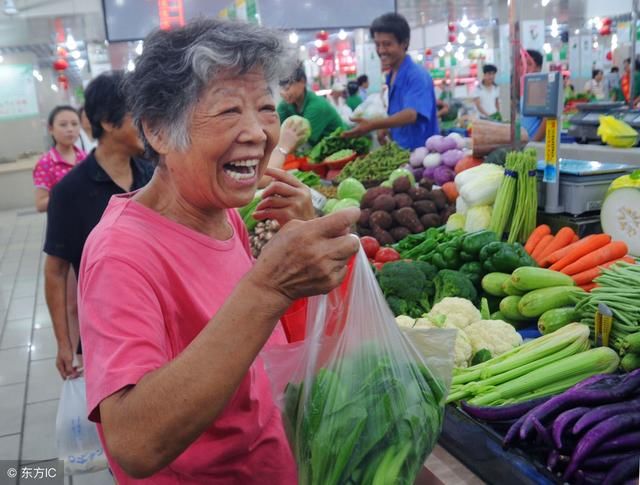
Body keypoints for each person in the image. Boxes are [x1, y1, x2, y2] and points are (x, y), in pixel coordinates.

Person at [78, 19, 360, 483]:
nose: (256, 132)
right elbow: (133, 444)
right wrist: (268, 286)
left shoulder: (218, 209)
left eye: (266, 108)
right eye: (229, 111)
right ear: (160, 132)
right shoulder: (120, 253)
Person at [44, 71, 154, 380]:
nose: (149, 124)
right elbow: (56, 271)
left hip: (160, 316)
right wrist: (64, 343)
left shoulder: (154, 175)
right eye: (139, 114)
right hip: (107, 331)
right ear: (107, 121)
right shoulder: (69, 192)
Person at [344, 13, 439, 150]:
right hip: (402, 153)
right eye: (378, 44)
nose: (381, 50)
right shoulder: (392, 74)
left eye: (387, 44)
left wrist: (374, 124)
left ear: (404, 43)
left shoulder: (416, 75)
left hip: (422, 156)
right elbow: (400, 114)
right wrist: (388, 127)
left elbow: (411, 114)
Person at [33, 106, 86, 213]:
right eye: (63, 124)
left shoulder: (86, 158)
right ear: (51, 129)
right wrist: (69, 196)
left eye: (75, 124)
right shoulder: (45, 163)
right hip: (63, 224)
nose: (70, 129)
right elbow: (40, 204)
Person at [277, 63, 345, 146]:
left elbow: (303, 143)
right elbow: (275, 127)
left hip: (339, 147)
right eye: (281, 89)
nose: (283, 93)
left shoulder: (316, 106)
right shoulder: (286, 104)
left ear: (302, 82)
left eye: (287, 88)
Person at [521, 49, 546, 142]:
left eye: (529, 64)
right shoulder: (527, 87)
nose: (525, 67)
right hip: (525, 142)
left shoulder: (541, 87)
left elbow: (546, 120)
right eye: (523, 64)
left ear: (538, 68)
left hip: (536, 145)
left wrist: (534, 142)